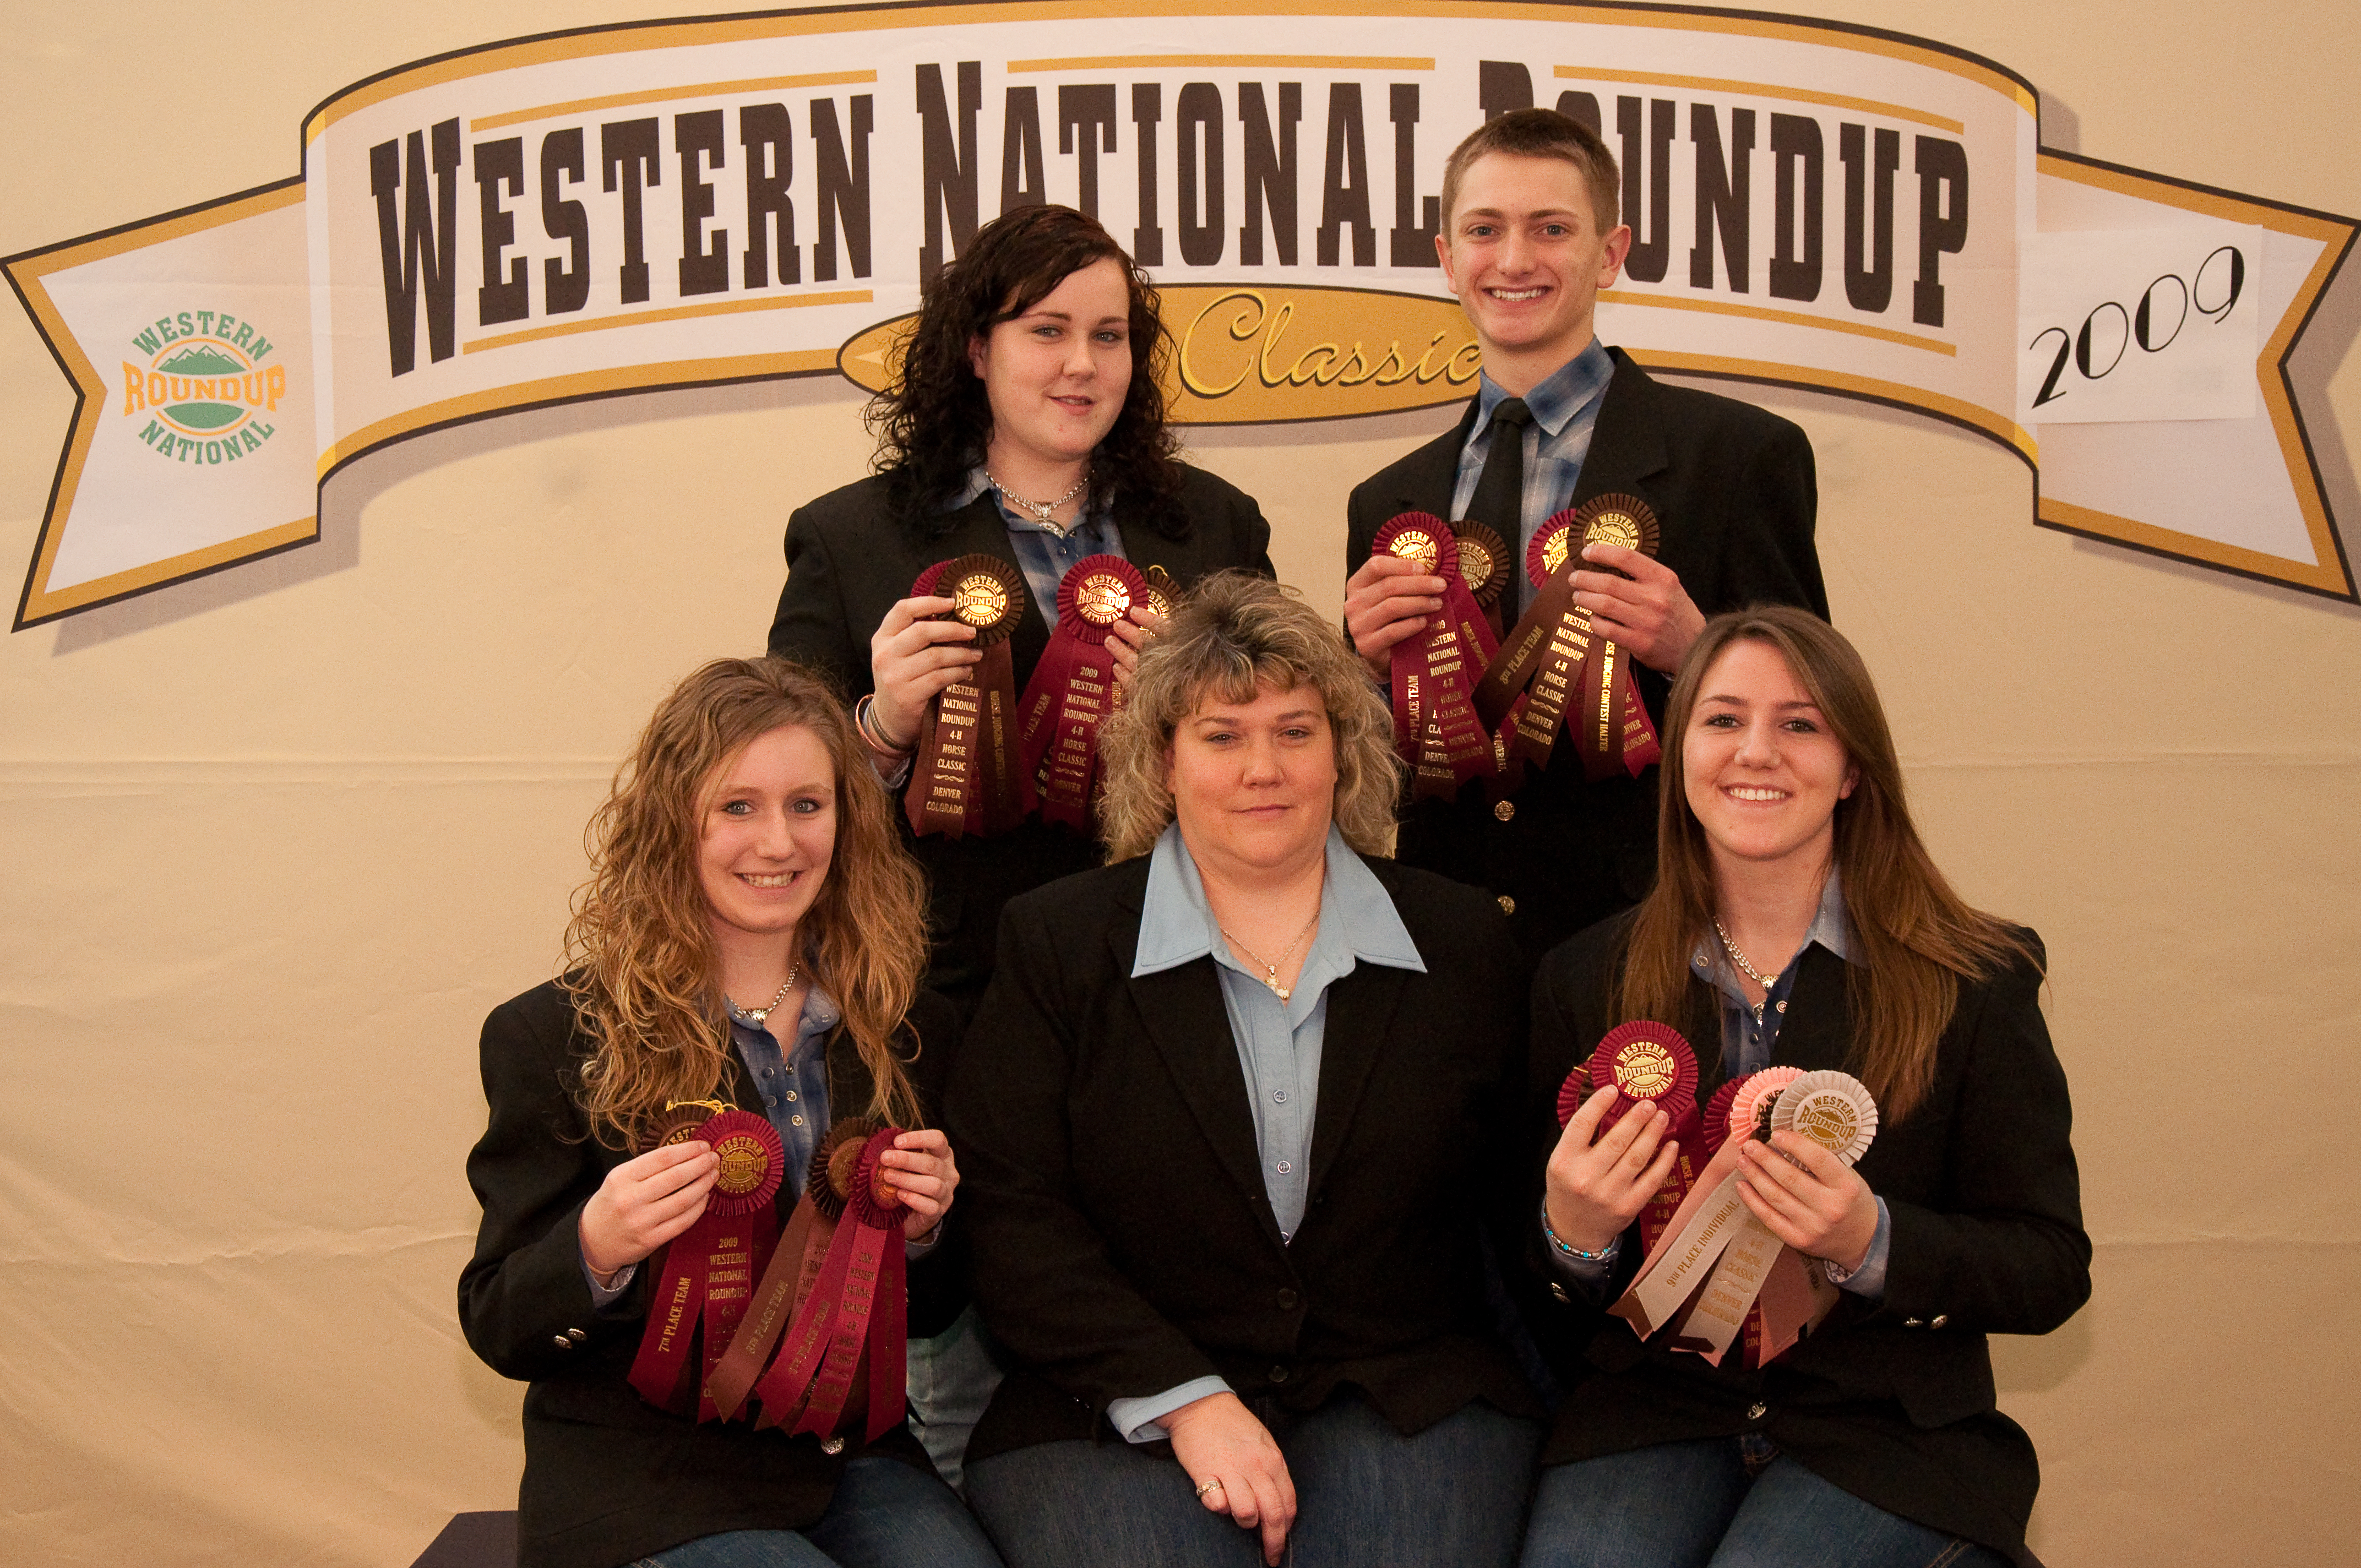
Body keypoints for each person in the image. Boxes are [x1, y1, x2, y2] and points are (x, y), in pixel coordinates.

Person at [947, 574, 1544, 1568]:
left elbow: (1516, 1209)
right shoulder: (1059, 941)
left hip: (1407, 1392)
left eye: (1296, 731)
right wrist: (1186, 1401)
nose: (1263, 767)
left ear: (1344, 752)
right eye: (1222, 736)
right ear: (1162, 763)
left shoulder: (1462, 941)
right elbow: (1013, 1216)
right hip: (1114, 1401)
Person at [1520, 607, 2088, 1568]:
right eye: (1723, 719)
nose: (1758, 753)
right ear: (1680, 754)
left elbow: (2049, 1268)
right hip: (1656, 1414)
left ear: (1853, 766)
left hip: (1889, 1427)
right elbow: (1538, 1273)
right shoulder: (1583, 977)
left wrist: (1875, 1243)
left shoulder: (1975, 979)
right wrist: (1573, 1234)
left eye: (1800, 724)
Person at [458, 657, 1003, 1568]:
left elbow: (931, 1313)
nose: (779, 843)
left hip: (845, 1459)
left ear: (847, 818)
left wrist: (924, 1234)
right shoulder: (550, 1035)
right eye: (738, 807)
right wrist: (595, 1246)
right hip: (643, 1477)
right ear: (676, 823)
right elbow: (501, 1323)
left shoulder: (911, 1028)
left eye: (807, 805)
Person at [1343, 107, 1827, 965]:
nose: (1516, 260)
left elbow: (1821, 723)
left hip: (1662, 937)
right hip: (1444, 943)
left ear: (1611, 252)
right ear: (1449, 260)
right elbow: (1377, 767)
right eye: (1485, 231)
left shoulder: (1741, 457)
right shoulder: (1388, 501)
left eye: (1552, 229)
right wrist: (1363, 678)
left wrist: (1698, 650)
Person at [766, 202, 1274, 1015]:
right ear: (976, 349)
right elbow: (777, 795)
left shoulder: (1219, 523)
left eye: (1109, 336)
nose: (1082, 363)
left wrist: (1192, 703)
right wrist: (882, 729)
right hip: (950, 987)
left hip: (1191, 969)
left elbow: (1281, 741)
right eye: (1047, 331)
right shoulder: (848, 538)